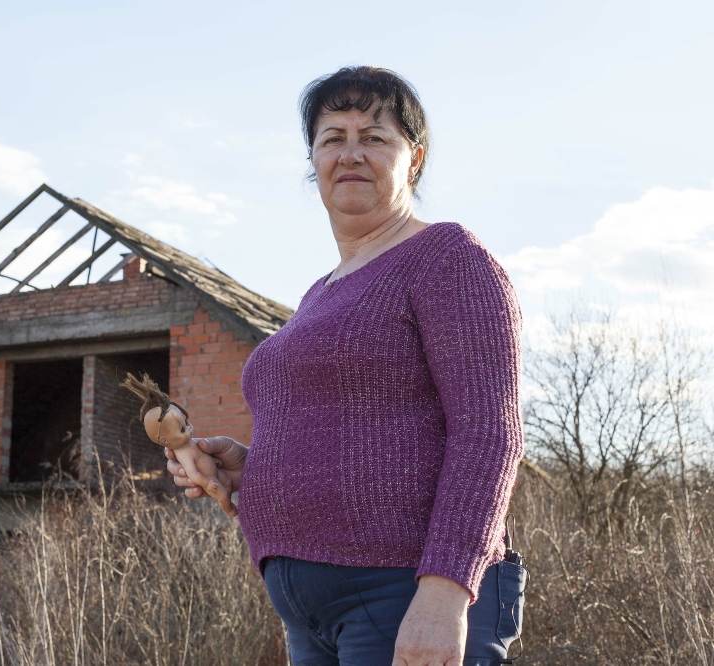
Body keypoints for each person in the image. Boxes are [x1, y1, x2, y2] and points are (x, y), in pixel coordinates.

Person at [165, 66, 526, 666]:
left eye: (374, 137)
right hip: (310, 615)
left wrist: (445, 593)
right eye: (333, 138)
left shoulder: (448, 259)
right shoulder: (319, 293)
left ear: (414, 160)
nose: (351, 153)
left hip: (404, 592)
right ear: (313, 160)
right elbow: (365, 446)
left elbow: (489, 433)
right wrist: (251, 473)